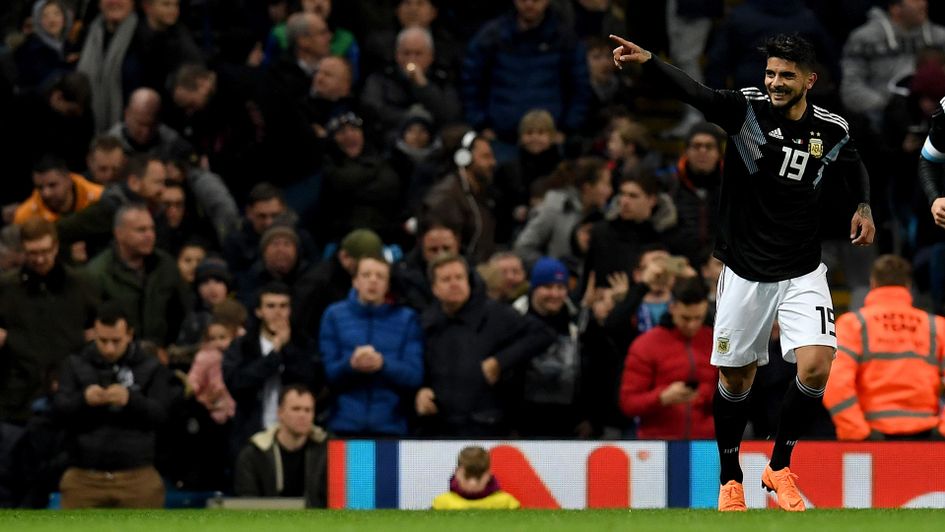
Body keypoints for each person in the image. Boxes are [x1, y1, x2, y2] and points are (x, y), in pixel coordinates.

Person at [610, 32, 876, 511]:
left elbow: (853, 164)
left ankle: (779, 467)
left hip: (802, 269)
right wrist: (650, 62)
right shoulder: (745, 110)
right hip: (745, 272)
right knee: (737, 381)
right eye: (770, 73)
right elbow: (695, 93)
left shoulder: (830, 129)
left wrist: (863, 205)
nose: (774, 82)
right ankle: (730, 478)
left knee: (816, 367)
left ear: (809, 81)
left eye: (786, 76)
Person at [416, 253, 554, 437]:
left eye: (459, 277)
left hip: (487, 426)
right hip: (441, 427)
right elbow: (420, 365)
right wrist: (421, 391)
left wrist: (500, 361)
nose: (454, 283)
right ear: (434, 288)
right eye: (446, 279)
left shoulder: (495, 313)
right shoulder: (428, 322)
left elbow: (543, 334)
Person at [54, 302, 171, 508]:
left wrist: (131, 400)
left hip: (137, 476)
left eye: (116, 341)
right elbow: (58, 412)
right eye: (103, 340)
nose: (109, 348)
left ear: (129, 334)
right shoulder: (74, 364)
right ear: (94, 334)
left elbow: (163, 415)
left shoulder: (151, 367)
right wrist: (83, 400)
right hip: (84, 476)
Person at [824, 255, 945, 440]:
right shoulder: (936, 326)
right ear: (908, 285)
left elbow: (836, 383)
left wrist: (856, 431)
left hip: (873, 435)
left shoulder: (853, 324)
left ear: (873, 283)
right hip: (928, 435)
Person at [0, 219, 97, 423]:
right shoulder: (6, 287)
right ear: (23, 250)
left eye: (45, 251)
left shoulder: (80, 284)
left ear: (56, 247)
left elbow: (100, 324)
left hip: (71, 394)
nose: (40, 259)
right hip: (19, 396)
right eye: (32, 253)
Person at [319, 256, 424, 437]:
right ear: (355, 281)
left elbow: (414, 375)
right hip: (343, 426)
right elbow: (326, 372)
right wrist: (351, 365)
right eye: (366, 275)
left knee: (384, 467)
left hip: (391, 428)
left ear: (388, 285)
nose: (373, 281)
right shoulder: (334, 315)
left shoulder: (407, 319)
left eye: (380, 276)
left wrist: (383, 364)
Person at [223, 282, 323, 456]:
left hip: (296, 437)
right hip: (251, 434)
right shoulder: (243, 345)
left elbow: (311, 382)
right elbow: (237, 384)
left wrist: (287, 349)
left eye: (283, 306)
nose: (278, 312)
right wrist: (274, 356)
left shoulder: (304, 344)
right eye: (270, 306)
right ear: (258, 311)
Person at [619, 276, 716, 440]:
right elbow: (628, 403)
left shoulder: (714, 341)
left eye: (698, 318)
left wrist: (705, 393)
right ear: (672, 308)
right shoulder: (646, 345)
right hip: (659, 445)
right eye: (685, 318)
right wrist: (662, 397)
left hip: (706, 444)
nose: (692, 325)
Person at [84, 204, 188, 348]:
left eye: (152, 228)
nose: (149, 235)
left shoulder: (165, 265)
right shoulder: (97, 273)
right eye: (141, 230)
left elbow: (184, 313)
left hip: (161, 357)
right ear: (119, 233)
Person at [234, 384, 328, 508]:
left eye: (308, 410)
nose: (302, 415)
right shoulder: (253, 454)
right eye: (296, 409)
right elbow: (247, 502)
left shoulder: (327, 451)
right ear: (280, 413)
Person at [13, 155, 103, 224]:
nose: (46, 193)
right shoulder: (25, 216)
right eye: (40, 188)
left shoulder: (99, 197)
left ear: (68, 180)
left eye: (52, 185)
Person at [431, 446, 520, 510]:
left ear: (489, 475)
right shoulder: (442, 503)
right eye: (467, 476)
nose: (472, 483)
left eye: (479, 476)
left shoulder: (507, 503)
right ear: (457, 473)